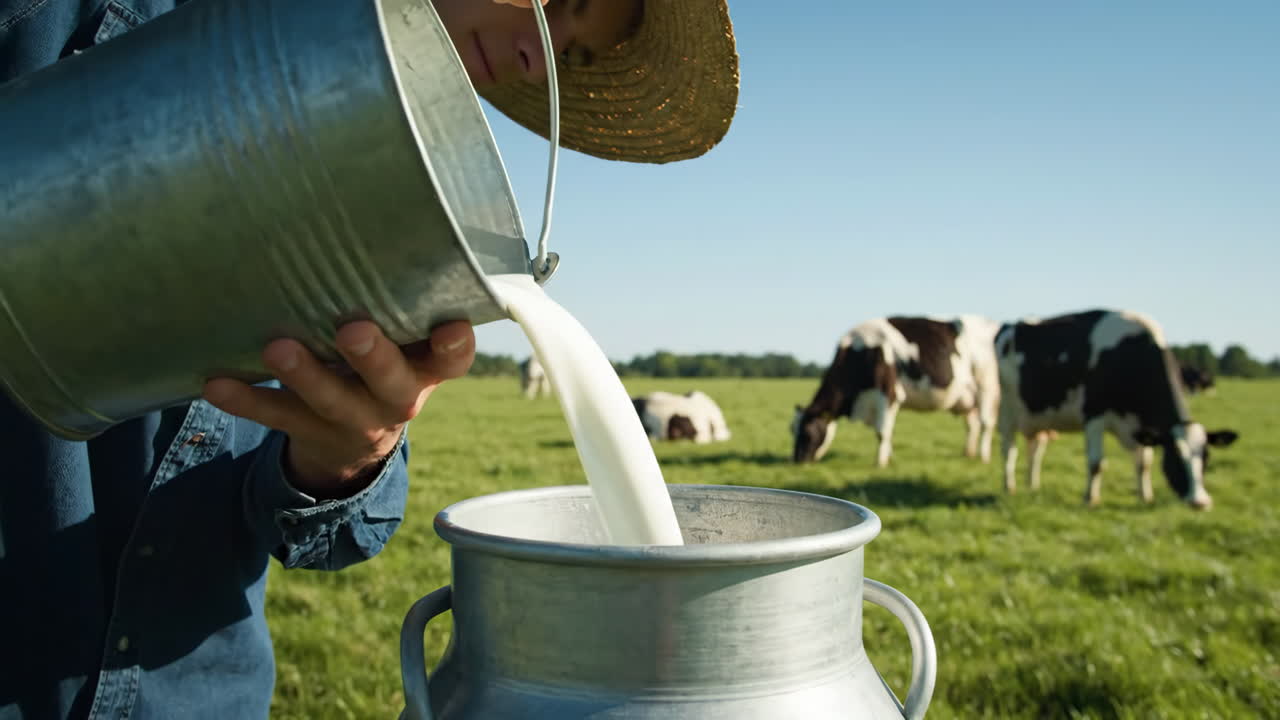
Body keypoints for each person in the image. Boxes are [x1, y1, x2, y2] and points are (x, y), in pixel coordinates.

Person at [0, 0, 739, 717]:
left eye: (570, 51)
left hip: (191, 689)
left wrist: (346, 458)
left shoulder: (384, 208)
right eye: (558, 3)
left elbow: (312, 528)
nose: (541, 56)